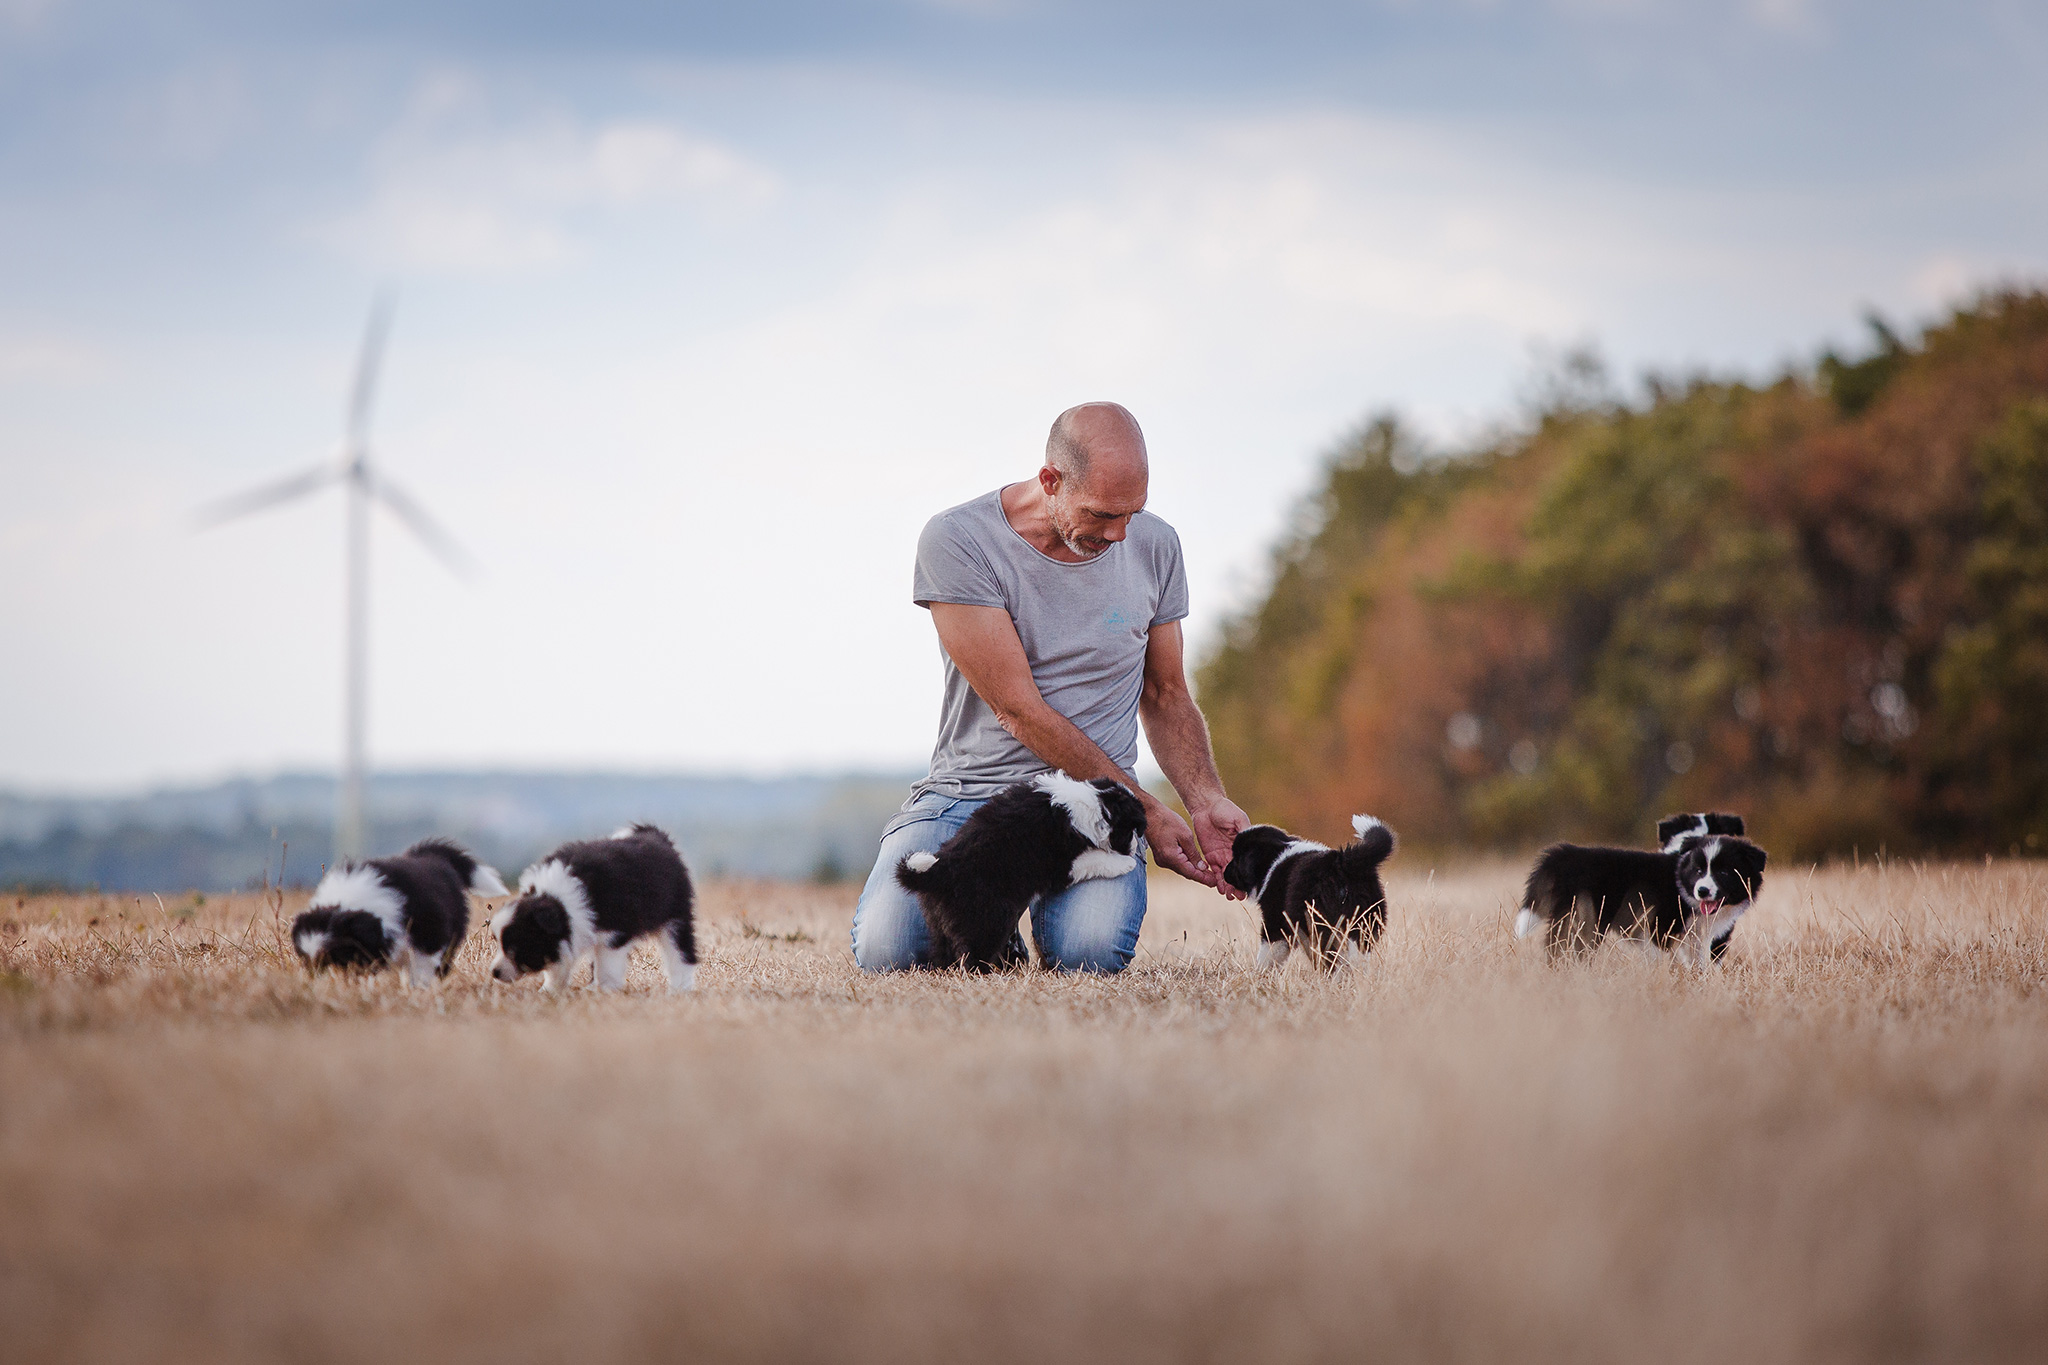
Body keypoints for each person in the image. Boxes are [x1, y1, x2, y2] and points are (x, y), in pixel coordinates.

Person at [851, 401, 1250, 973]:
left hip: (1098, 804)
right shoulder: (960, 541)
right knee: (889, 952)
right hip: (971, 792)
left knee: (1088, 956)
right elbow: (1019, 711)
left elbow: (1165, 694)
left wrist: (1204, 799)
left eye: (1132, 513)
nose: (1118, 534)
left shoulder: (1156, 546)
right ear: (1050, 480)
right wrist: (1149, 810)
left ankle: (1007, 920)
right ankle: (998, 923)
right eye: (1102, 514)